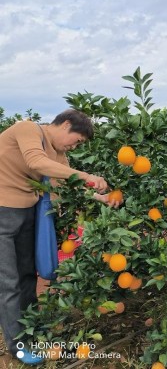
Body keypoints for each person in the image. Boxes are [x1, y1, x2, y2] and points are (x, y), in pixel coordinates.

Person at [0, 109, 120, 365]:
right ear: (65, 125)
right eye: (77, 141)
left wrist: (100, 197)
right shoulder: (28, 129)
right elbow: (35, 161)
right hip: (2, 211)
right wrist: (87, 175)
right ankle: (17, 346)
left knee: (26, 275)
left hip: (27, 213)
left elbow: (68, 188)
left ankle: (32, 327)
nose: (75, 147)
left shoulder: (60, 156)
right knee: (8, 281)